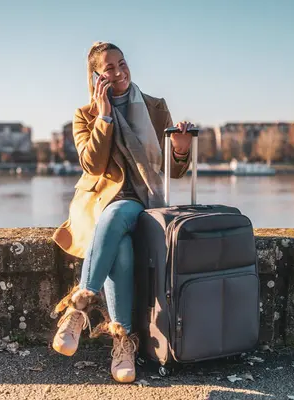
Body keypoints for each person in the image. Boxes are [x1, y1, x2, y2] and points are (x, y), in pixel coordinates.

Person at [51, 41, 194, 383]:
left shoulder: (155, 107)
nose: (120, 72)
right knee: (122, 248)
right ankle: (123, 343)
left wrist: (180, 149)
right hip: (104, 200)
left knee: (116, 219)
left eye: (122, 63)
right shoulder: (85, 115)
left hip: (148, 202)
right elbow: (94, 164)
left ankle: (79, 305)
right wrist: (103, 116)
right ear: (96, 77)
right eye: (110, 68)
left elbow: (174, 173)